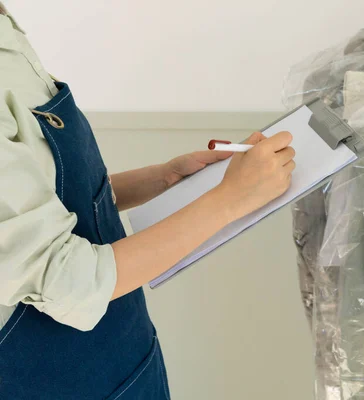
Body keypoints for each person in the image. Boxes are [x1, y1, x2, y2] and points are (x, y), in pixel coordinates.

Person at [0, 4, 295, 399]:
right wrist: (230, 200)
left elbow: (39, 202)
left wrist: (162, 178)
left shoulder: (7, 34)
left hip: (128, 360)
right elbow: (68, 279)